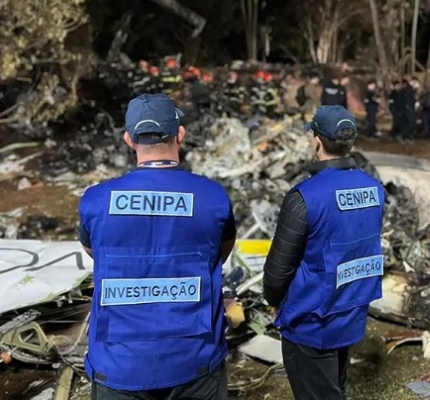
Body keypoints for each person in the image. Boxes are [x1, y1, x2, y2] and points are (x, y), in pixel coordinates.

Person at [78, 93, 236, 399]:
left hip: (118, 364)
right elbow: (220, 252)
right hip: (194, 361)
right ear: (180, 134)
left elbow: (94, 253)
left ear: (128, 139)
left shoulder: (95, 201)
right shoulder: (213, 197)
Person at [263, 105, 385, 400]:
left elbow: (278, 271)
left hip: (310, 322)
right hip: (350, 312)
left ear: (316, 140)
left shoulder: (305, 196)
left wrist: (274, 301)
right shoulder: (375, 189)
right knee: (332, 386)